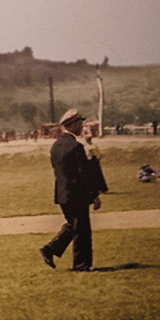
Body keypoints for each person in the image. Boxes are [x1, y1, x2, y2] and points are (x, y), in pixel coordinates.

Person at [39, 109, 106, 271]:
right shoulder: (76, 146)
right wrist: (93, 195)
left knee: (73, 225)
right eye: (79, 123)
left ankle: (51, 249)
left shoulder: (55, 146)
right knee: (82, 231)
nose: (81, 126)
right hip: (77, 194)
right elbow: (82, 174)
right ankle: (81, 265)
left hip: (62, 193)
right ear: (72, 125)